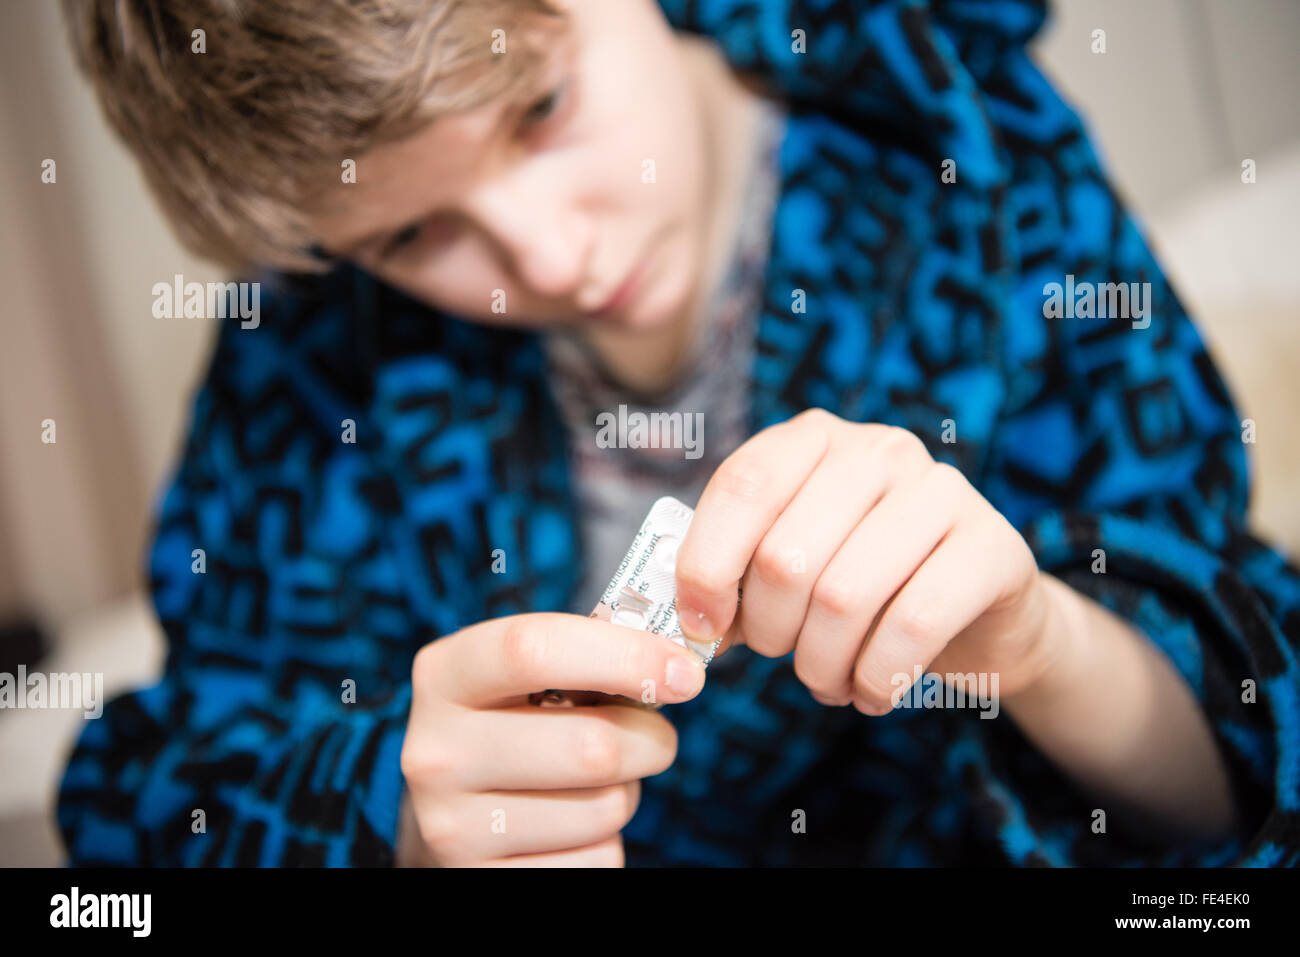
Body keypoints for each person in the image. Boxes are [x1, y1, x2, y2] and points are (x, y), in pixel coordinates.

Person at [57, 0, 1300, 867]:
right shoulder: (309, 352)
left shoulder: (975, 162)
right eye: (409, 235)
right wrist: (387, 809)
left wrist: (1036, 641)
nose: (548, 254)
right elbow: (144, 810)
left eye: (537, 106)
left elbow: (1249, 740)